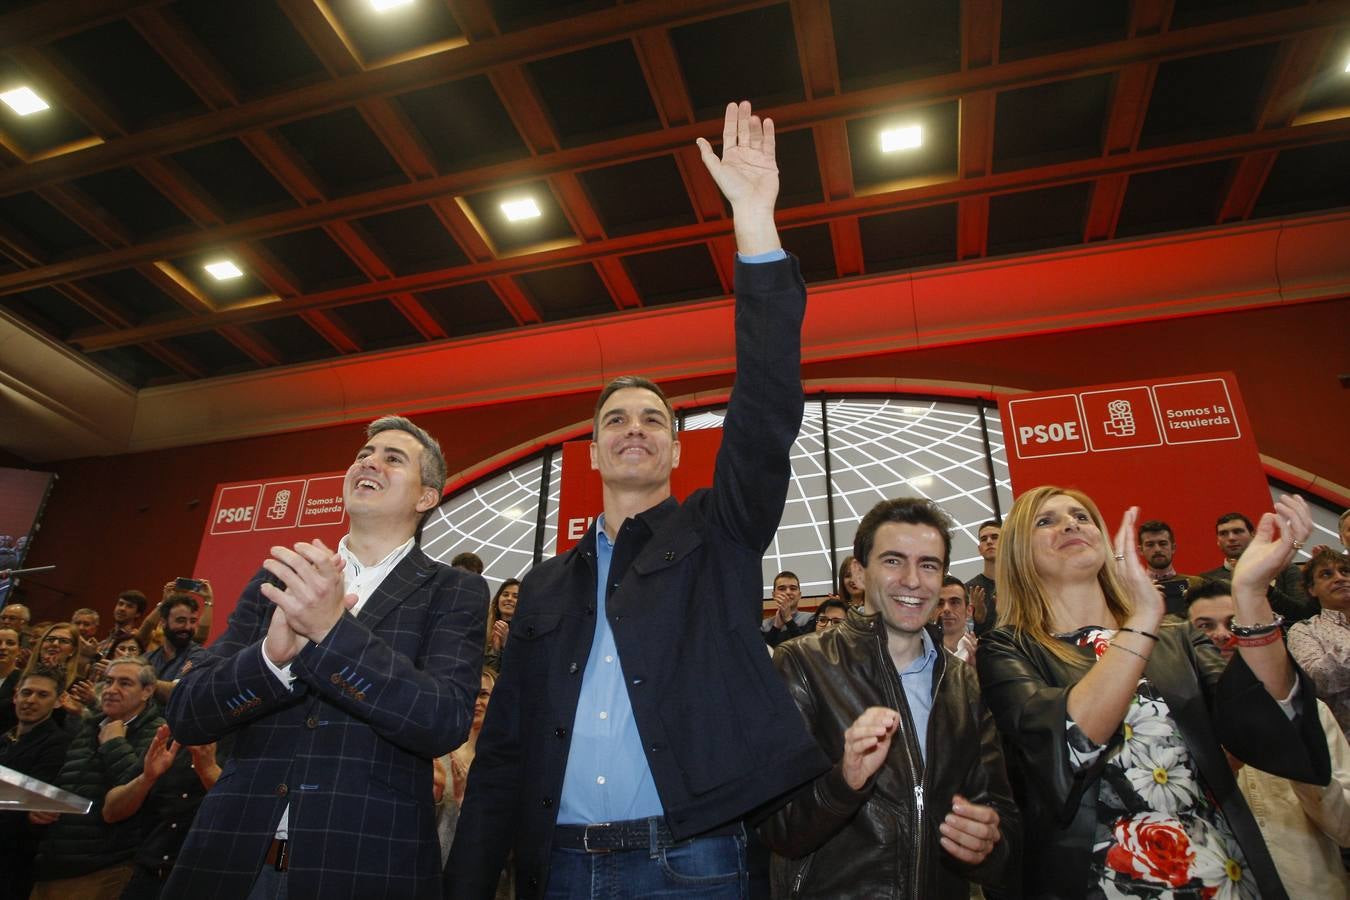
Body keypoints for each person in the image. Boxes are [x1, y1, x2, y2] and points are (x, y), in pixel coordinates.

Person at [447, 101, 830, 900]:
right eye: (614, 419)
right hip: (556, 866)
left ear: (677, 448)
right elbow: (506, 754)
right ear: (590, 451)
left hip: (695, 861)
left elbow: (764, 409)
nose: (633, 429)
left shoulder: (718, 532)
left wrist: (755, 224)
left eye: (653, 419)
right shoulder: (546, 587)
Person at [163, 415, 489, 900]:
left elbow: (441, 720)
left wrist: (330, 633)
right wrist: (270, 661)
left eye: (392, 458)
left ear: (426, 497)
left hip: (364, 865)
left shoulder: (453, 590)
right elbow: (188, 715)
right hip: (228, 860)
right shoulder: (281, 576)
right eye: (364, 454)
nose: (369, 462)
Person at [977, 487, 1329, 898]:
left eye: (1081, 516)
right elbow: (1066, 745)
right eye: (1046, 520)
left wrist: (1250, 596)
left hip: (1220, 872)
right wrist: (1142, 619)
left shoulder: (1177, 638)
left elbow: (1265, 721)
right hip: (1099, 881)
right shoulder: (1008, 648)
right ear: (1020, 552)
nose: (1070, 523)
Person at [760, 498, 1018, 897]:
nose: (913, 580)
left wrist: (988, 846)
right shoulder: (803, 663)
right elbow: (778, 829)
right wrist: (843, 783)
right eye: (894, 561)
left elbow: (1002, 826)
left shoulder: (965, 683)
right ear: (860, 574)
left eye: (929, 564)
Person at [1185, 581, 1350, 897]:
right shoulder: (1169, 725)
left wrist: (1295, 746)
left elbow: (1346, 828)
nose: (1222, 634)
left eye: (1235, 624)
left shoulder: (1310, 712)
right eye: (1204, 626)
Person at [28, 657, 165, 899]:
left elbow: (139, 790)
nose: (111, 690)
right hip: (54, 861)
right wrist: (43, 806)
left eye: (124, 683)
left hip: (105, 867)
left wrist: (114, 744)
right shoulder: (91, 725)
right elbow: (71, 780)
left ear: (147, 691)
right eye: (108, 681)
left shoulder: (158, 733)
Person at [103, 725, 221, 900]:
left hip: (207, 884)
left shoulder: (251, 743)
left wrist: (209, 771)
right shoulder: (170, 739)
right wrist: (146, 778)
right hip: (146, 879)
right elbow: (110, 812)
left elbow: (253, 823)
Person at [0, 667, 76, 900]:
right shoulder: (4, 738)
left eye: (42, 695)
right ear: (15, 696)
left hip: (14, 856)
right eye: (26, 693)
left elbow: (28, 801)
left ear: (58, 701)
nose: (31, 700)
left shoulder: (59, 743)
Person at [1202, 512, 1316, 622]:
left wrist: (1264, 587)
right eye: (1223, 533)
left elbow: (1304, 614)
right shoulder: (1207, 581)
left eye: (1238, 531)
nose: (1231, 538)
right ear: (1218, 541)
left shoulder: (1285, 569)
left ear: (1253, 535)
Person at [1287, 548, 1350, 735]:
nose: (1339, 578)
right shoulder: (1304, 630)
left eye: (1345, 571)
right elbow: (1318, 681)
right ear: (1312, 589)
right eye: (1326, 574)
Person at [143, 592, 208, 703]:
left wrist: (138, 680)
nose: (187, 627)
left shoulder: (200, 656)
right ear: (163, 622)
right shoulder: (148, 659)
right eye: (181, 621)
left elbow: (177, 693)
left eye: (192, 621)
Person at [1136, 519, 1201, 618]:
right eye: (1150, 545)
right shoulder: (1131, 590)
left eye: (1162, 543)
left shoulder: (1196, 584)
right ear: (1140, 550)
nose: (1157, 549)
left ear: (1173, 548)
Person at [965, 520, 1000, 636]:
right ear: (980, 549)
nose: (989, 542)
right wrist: (978, 619)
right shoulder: (969, 589)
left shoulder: (1021, 584)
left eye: (995, 537)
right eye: (984, 539)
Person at [761, 570, 812, 647]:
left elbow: (806, 649)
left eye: (793, 588)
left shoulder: (811, 619)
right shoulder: (764, 626)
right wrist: (776, 627)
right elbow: (763, 653)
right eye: (782, 589)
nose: (788, 592)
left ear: (799, 595)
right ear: (773, 595)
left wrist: (788, 619)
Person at [934, 575, 978, 663]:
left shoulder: (984, 652)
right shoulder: (918, 654)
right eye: (940, 603)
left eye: (954, 602)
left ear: (969, 610)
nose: (946, 609)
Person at [483, 578, 519, 673]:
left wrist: (506, 644)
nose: (509, 599)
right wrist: (495, 651)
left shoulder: (525, 633)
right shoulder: (484, 627)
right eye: (505, 594)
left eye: (516, 596)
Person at [96, 591, 147, 657]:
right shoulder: (104, 641)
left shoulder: (136, 638)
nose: (122, 608)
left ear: (138, 614)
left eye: (129, 606)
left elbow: (149, 623)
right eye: (120, 604)